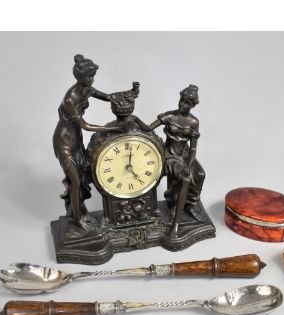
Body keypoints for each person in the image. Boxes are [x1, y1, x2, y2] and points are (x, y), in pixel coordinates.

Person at [53, 54, 130, 229]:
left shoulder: (87, 89)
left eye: (94, 76)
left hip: (76, 139)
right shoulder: (70, 99)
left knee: (81, 178)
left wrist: (128, 93)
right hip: (64, 142)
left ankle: (78, 211)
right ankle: (77, 219)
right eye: (89, 76)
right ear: (79, 77)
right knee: (76, 181)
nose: (92, 79)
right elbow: (86, 126)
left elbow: (109, 97)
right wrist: (113, 129)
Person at [136, 84, 205, 220]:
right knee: (184, 177)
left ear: (192, 106)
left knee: (200, 174)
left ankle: (190, 204)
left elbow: (193, 148)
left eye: (187, 103)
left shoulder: (193, 122)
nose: (183, 105)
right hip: (170, 154)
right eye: (182, 101)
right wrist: (136, 119)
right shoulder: (169, 116)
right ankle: (175, 204)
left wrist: (189, 165)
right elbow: (148, 128)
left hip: (185, 155)